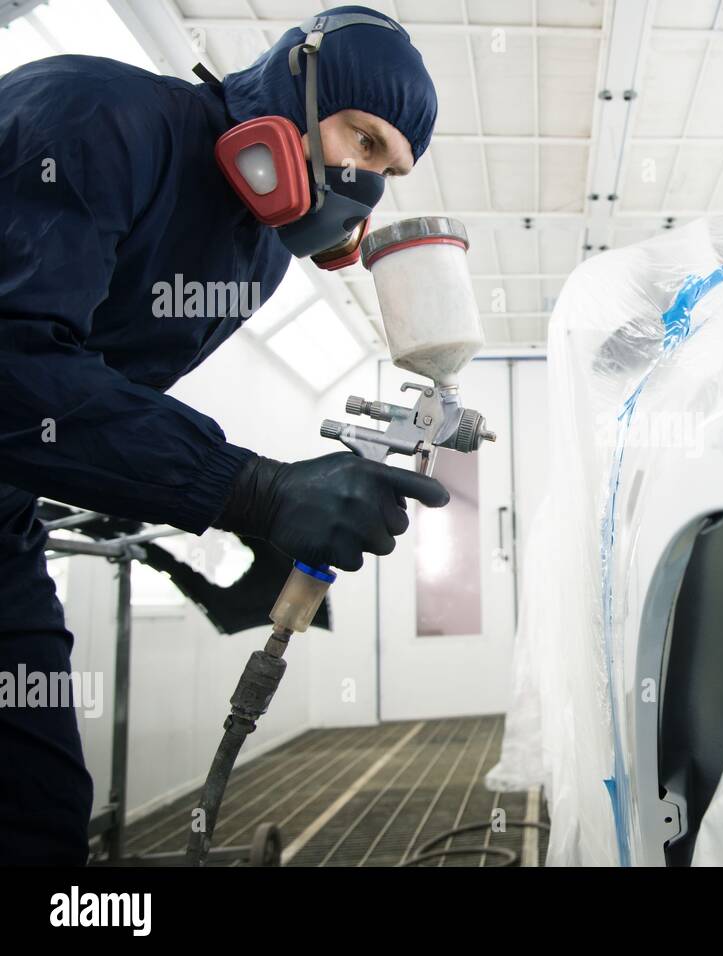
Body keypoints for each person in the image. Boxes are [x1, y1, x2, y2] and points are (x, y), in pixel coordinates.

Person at [0, 5, 445, 864]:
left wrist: (201, 493)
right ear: (291, 83)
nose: (361, 180)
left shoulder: (260, 255)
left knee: (40, 806)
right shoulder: (92, 115)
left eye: (388, 166)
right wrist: (249, 488)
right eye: (360, 136)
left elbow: (87, 395)